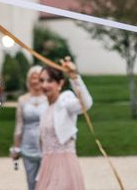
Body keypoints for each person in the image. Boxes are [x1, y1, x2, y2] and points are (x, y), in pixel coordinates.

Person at [35, 59, 93, 190]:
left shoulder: (65, 101)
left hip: (64, 165)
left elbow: (86, 103)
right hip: (46, 165)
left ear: (60, 83)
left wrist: (75, 77)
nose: (45, 85)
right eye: (42, 80)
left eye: (49, 81)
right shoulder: (45, 108)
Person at [11, 65, 48, 190]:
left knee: (46, 181)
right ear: (29, 80)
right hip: (28, 144)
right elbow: (19, 125)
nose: (36, 81)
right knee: (31, 182)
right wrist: (16, 147)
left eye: (39, 78)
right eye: (33, 78)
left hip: (47, 144)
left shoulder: (49, 98)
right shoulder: (22, 100)